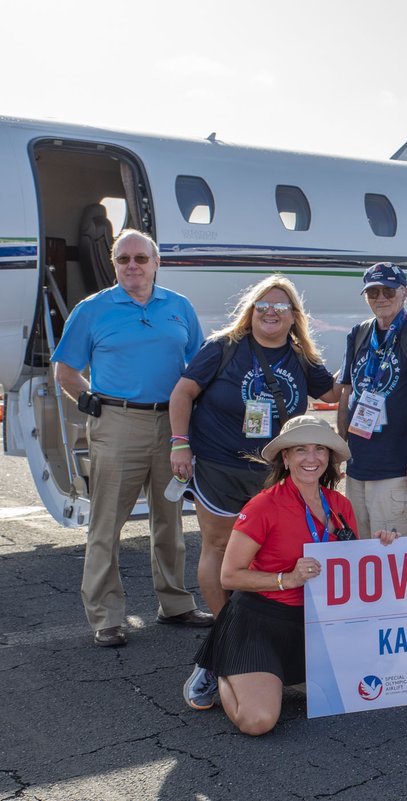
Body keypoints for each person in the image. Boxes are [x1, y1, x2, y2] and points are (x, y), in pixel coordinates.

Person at [51, 229, 211, 647]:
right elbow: (65, 369)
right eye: (124, 260)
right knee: (107, 524)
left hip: (172, 426)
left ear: (157, 263)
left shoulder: (179, 307)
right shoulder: (92, 310)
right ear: (114, 264)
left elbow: (200, 364)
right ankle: (106, 617)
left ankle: (175, 604)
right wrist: (88, 400)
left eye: (141, 258)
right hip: (117, 422)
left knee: (170, 519)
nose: (133, 266)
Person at [182, 416, 373, 735]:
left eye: (319, 450)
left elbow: (351, 565)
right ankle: (218, 665)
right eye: (301, 449)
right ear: (285, 457)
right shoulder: (262, 506)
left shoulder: (339, 505)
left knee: (356, 693)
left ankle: (285, 675)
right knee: (258, 721)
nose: (311, 458)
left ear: (328, 457)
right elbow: (229, 576)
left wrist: (382, 545)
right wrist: (286, 579)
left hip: (316, 624)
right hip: (260, 621)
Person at [168, 275, 339, 618]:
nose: (270, 312)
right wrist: (179, 444)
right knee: (218, 546)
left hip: (274, 473)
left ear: (293, 316)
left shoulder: (301, 356)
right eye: (263, 305)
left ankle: (259, 627)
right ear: (251, 311)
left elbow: (334, 394)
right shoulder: (224, 347)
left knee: (271, 550)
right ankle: (225, 630)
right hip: (220, 467)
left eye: (280, 306)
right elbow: (182, 393)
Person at [337, 263, 407, 537]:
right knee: (359, 553)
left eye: (388, 292)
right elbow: (346, 392)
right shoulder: (358, 334)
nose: (380, 298)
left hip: (398, 469)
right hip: (357, 468)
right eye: (373, 292)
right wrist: (340, 449)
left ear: (404, 293)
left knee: (395, 560)